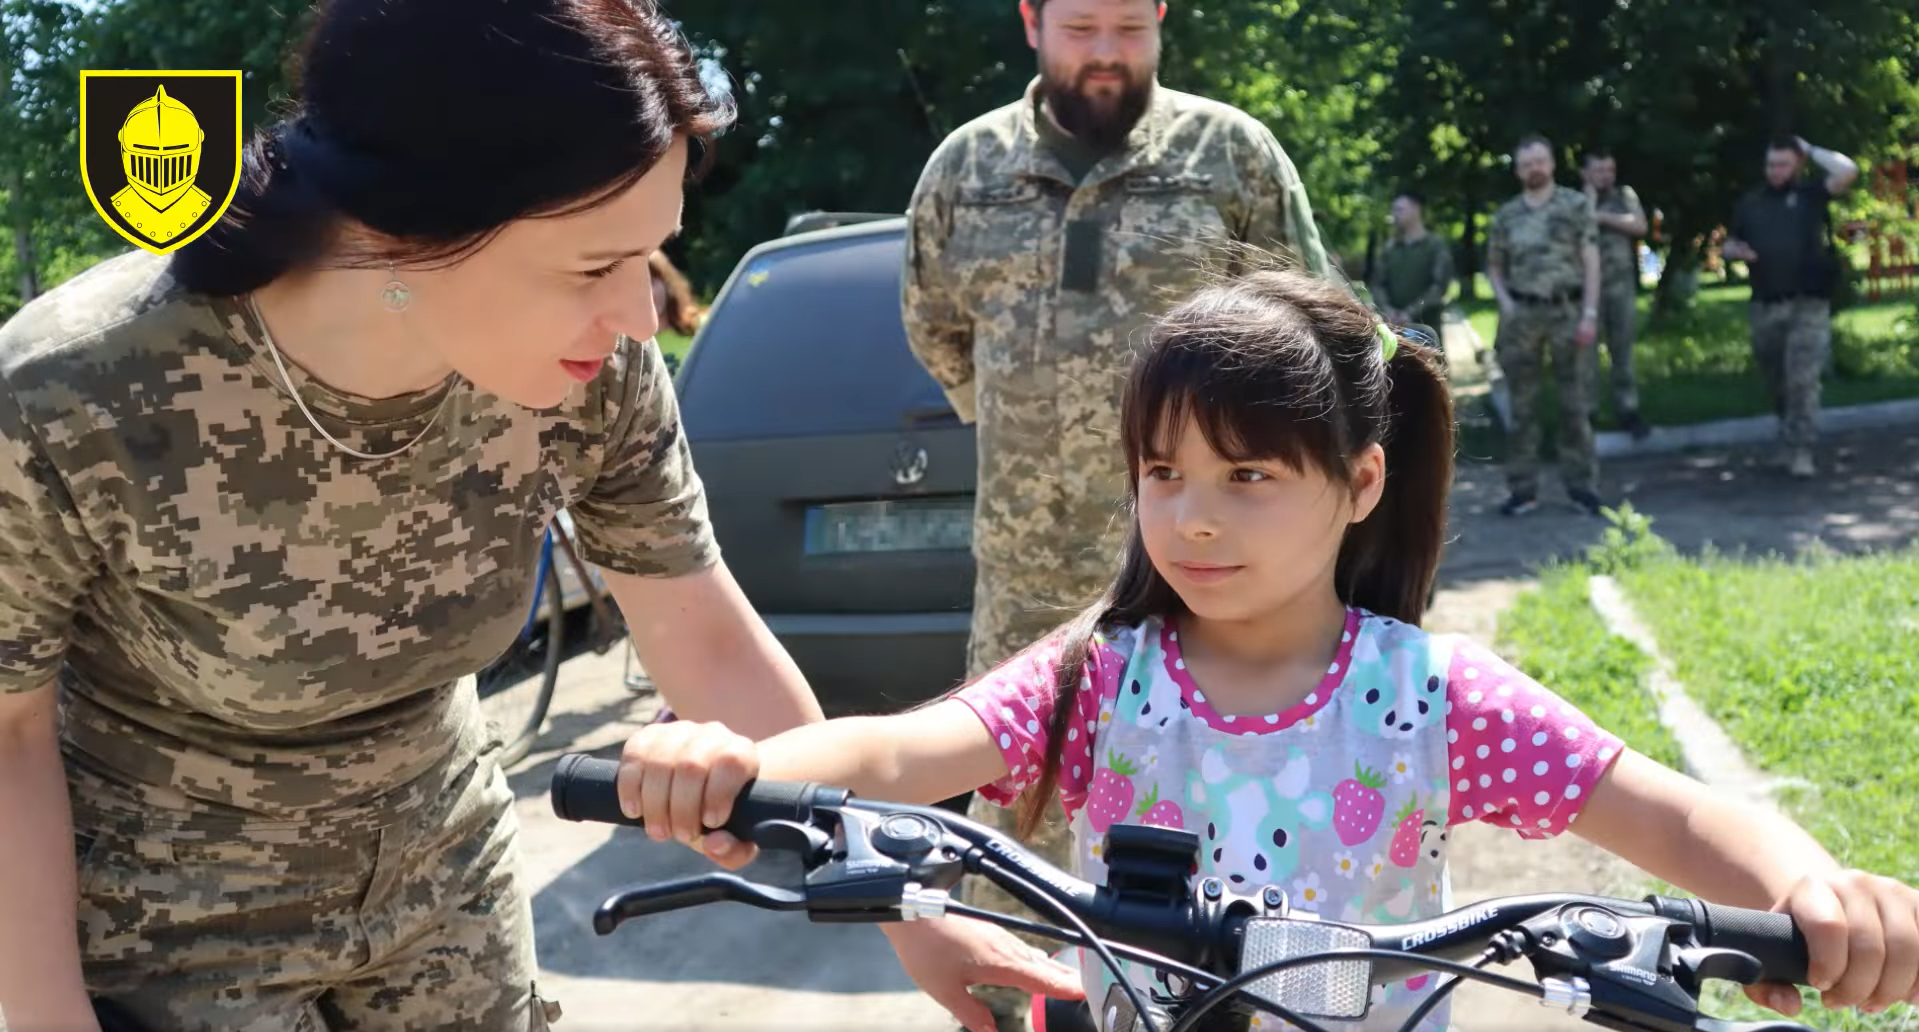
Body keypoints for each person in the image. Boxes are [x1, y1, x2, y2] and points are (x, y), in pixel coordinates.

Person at [0, 1, 1061, 1029]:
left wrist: (894, 894)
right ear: (401, 225)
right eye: (594, 266)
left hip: (439, 882)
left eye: (646, 259)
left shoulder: (594, 373)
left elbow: (701, 632)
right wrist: (46, 1014)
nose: (640, 317)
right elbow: (7, 732)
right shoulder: (77, 392)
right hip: (165, 928)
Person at [617, 266, 1919, 1032]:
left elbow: (1671, 816)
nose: (1189, 515)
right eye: (1160, 471)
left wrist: (1808, 886)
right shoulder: (1100, 665)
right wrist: (746, 759)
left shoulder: (1427, 692)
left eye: (1247, 474)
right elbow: (906, 749)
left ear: (1358, 484)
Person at [900, 3, 1335, 1020]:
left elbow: (1311, 344)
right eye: (1080, 27)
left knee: (1232, 857)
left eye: (1129, 28)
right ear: (1029, 22)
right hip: (1028, 603)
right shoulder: (962, 173)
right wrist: (1034, 440)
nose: (1104, 53)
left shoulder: (1228, 156)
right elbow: (937, 332)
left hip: (1209, 593)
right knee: (1018, 880)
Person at [1722, 136, 1859, 479]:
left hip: (1807, 303)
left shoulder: (1812, 195)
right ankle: (1787, 434)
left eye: (1783, 164)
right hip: (1766, 304)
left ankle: (1801, 449)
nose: (1775, 171)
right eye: (1770, 164)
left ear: (1796, 164)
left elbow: (1848, 170)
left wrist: (1812, 149)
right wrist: (1736, 252)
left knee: (1802, 379)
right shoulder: (1751, 203)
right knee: (1777, 380)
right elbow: (1729, 243)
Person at [1487, 133, 1604, 517]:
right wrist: (1506, 304)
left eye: (1539, 161)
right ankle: (1523, 490)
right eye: (1526, 164)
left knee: (1576, 405)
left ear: (1552, 163)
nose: (1534, 169)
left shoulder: (1574, 205)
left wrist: (1589, 312)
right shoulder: (1506, 215)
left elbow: (1590, 260)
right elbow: (1495, 266)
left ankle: (1582, 487)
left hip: (1568, 312)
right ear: (1518, 170)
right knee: (1522, 408)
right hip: (1523, 316)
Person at [1581, 151, 1651, 440]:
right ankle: (1587, 412)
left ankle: (1628, 409)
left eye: (1609, 170)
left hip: (1620, 286)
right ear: (1586, 173)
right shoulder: (1574, 201)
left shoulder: (1624, 196)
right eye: (1598, 171)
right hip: (1586, 289)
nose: (1605, 176)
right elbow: (1576, 229)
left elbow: (1639, 226)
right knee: (1585, 356)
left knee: (1622, 349)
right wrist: (1588, 202)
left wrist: (1602, 216)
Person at [1368, 190, 1454, 337]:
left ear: (1416, 209)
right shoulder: (1389, 249)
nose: (1395, 214)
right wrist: (1388, 310)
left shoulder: (1435, 247)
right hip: (1394, 331)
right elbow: (1377, 284)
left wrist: (1410, 312)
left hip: (1426, 328)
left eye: (1400, 209)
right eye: (1394, 210)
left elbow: (1439, 286)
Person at [648, 250, 704, 336]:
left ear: (666, 281)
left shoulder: (703, 324)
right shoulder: (625, 343)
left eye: (650, 282)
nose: (647, 293)